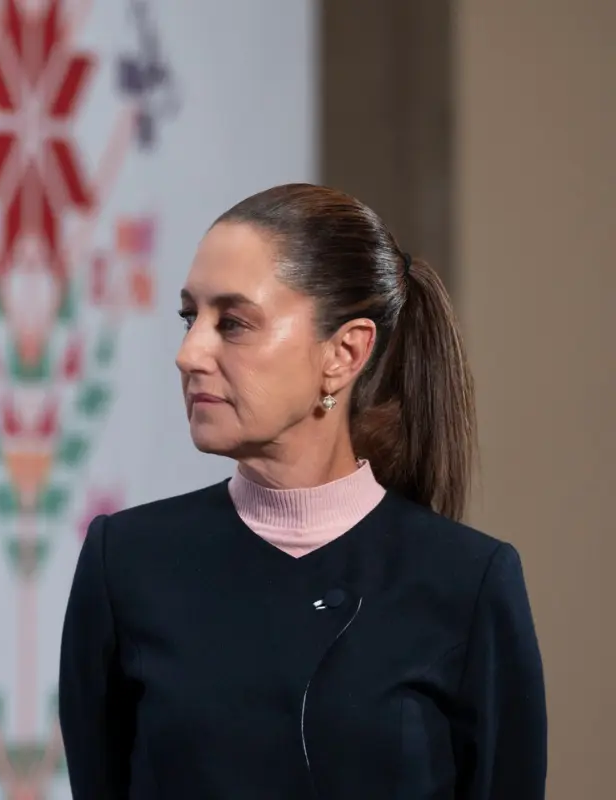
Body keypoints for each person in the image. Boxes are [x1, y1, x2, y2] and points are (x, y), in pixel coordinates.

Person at [57, 183, 547, 799]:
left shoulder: (469, 581)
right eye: (190, 317)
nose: (189, 354)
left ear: (344, 352)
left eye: (232, 323)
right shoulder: (124, 561)